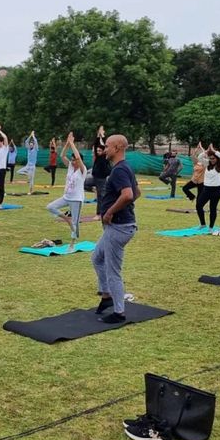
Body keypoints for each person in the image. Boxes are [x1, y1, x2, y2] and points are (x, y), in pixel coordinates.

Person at [92, 134, 140, 323]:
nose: (105, 150)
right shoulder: (124, 167)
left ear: (118, 147)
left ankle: (119, 312)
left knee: (113, 271)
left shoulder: (120, 170)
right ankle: (107, 296)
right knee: (97, 258)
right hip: (119, 226)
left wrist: (111, 211)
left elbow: (128, 195)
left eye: (108, 146)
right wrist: (122, 206)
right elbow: (137, 192)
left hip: (119, 227)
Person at [46, 132, 86, 252]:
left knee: (75, 223)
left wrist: (73, 143)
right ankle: (66, 218)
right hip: (66, 197)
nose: (73, 162)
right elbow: (62, 155)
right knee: (50, 207)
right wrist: (67, 144)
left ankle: (73, 243)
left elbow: (78, 158)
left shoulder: (82, 171)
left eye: (75, 160)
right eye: (72, 160)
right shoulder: (70, 166)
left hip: (77, 199)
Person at [196, 144, 220, 231]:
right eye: (210, 158)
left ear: (217, 158)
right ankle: (203, 224)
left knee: (212, 208)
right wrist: (206, 151)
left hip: (217, 189)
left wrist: (214, 151)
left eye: (213, 158)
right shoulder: (207, 164)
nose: (211, 160)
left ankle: (211, 227)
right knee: (199, 205)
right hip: (206, 189)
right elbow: (199, 157)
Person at [92, 125, 112, 221]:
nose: (98, 151)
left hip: (102, 178)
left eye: (100, 150)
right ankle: (92, 189)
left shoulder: (105, 156)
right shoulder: (97, 155)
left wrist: (102, 135)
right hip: (95, 177)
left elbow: (104, 144)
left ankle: (99, 214)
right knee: (85, 183)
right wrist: (98, 135)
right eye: (97, 151)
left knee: (101, 196)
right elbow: (96, 144)